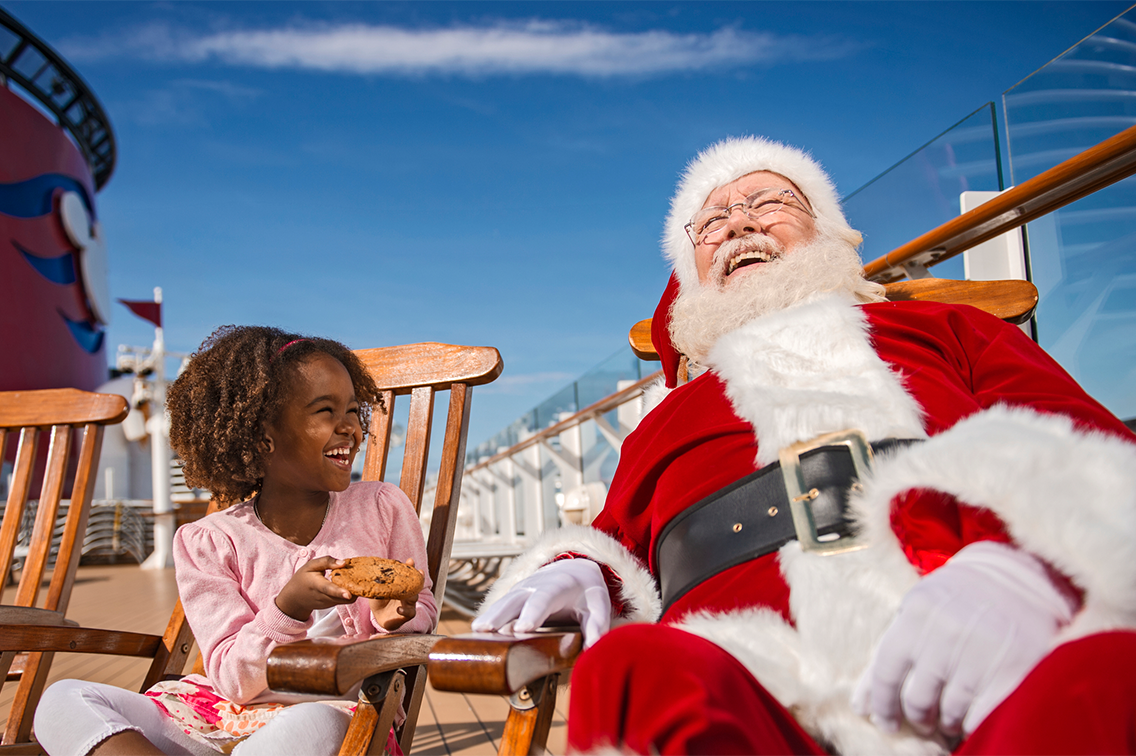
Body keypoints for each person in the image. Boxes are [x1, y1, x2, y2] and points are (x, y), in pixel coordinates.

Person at [473, 137, 1136, 755]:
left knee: (1103, 675)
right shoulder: (662, 421)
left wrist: (1039, 566)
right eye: (711, 223)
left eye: (769, 202)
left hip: (977, 640)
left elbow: (1100, 450)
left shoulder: (946, 330)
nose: (736, 224)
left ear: (826, 230)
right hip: (753, 676)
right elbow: (616, 535)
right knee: (632, 672)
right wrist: (577, 566)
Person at [35, 326, 438, 756]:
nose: (350, 429)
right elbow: (232, 679)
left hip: (333, 713)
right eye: (325, 411)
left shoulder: (381, 507)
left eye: (354, 412)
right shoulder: (208, 541)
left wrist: (395, 617)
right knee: (63, 701)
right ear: (265, 436)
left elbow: (423, 610)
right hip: (218, 713)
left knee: (312, 723)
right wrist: (288, 608)